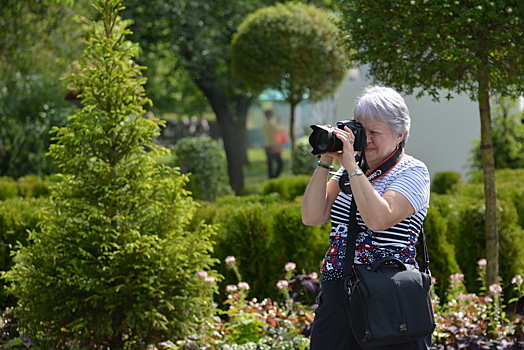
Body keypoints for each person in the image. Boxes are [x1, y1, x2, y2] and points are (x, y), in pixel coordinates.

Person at [302, 86, 431, 350]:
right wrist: (326, 160)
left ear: (400, 135)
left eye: (375, 133)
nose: (366, 140)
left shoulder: (412, 172)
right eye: (362, 132)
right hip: (338, 291)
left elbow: (378, 219)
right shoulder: (349, 172)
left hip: (387, 294)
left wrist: (351, 165)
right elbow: (313, 216)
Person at [262, 108, 284, 179]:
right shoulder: (273, 124)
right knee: (280, 163)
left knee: (270, 164)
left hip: (267, 145)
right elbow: (279, 130)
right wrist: (280, 124)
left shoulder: (264, 124)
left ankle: (270, 177)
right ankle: (275, 177)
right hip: (274, 146)